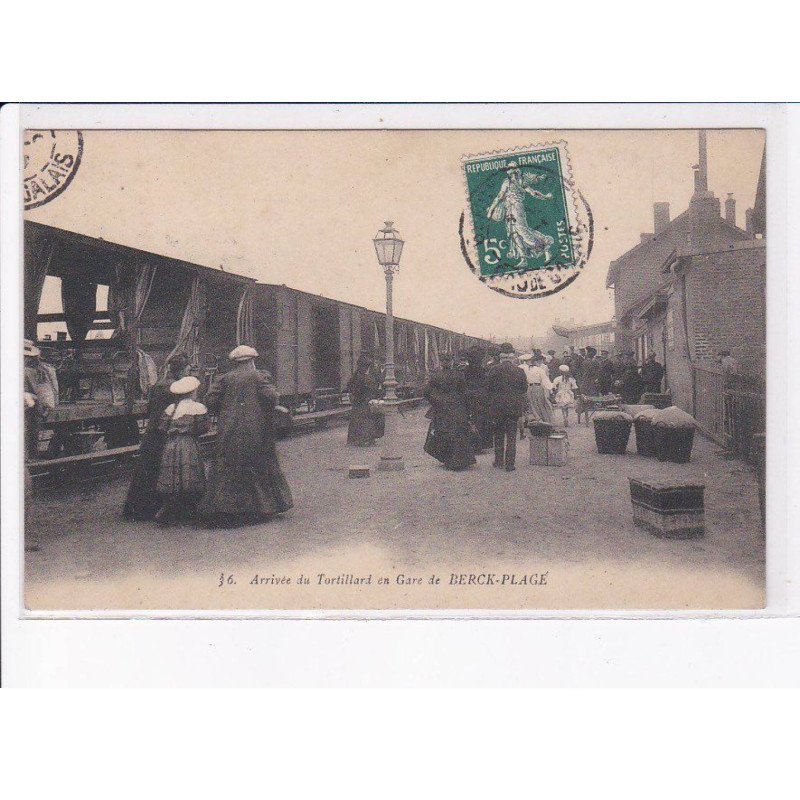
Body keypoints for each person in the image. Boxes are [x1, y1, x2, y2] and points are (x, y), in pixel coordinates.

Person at [199, 345, 293, 526]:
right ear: (251, 361)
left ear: (235, 362)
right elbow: (272, 397)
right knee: (256, 464)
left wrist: (226, 410)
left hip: (229, 430)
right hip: (255, 429)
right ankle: (260, 508)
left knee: (227, 465)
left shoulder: (224, 378)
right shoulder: (258, 377)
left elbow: (210, 401)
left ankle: (226, 508)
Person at [123, 353, 189, 521]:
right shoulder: (177, 388)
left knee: (147, 469)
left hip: (152, 432)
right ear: (181, 370)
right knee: (166, 469)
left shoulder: (157, 386)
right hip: (166, 432)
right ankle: (162, 508)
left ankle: (138, 509)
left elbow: (150, 409)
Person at [154, 376, 209, 525]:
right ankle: (190, 509)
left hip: (171, 444)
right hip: (189, 443)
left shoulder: (171, 408)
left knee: (172, 474)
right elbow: (204, 428)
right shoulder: (198, 407)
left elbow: (161, 427)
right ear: (192, 393)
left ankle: (169, 509)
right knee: (190, 473)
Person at [423, 353, 476, 471]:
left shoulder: (436, 376)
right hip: (457, 407)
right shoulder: (459, 375)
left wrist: (435, 402)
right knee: (458, 433)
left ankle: (447, 459)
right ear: (452, 361)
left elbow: (426, 393)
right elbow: (465, 393)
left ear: (441, 362)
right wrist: (468, 408)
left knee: (443, 433)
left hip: (442, 408)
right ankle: (458, 461)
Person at [485, 343, 528, 472]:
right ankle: (510, 464)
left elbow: (488, 388)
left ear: (501, 356)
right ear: (512, 356)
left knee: (498, 435)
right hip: (514, 407)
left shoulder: (494, 370)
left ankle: (498, 461)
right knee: (511, 435)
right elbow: (524, 389)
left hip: (498, 407)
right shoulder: (519, 371)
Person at [346, 353, 385, 446]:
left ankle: (365, 439)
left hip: (363, 402)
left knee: (364, 421)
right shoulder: (361, 375)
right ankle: (364, 440)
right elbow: (355, 387)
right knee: (366, 421)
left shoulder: (361, 374)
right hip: (362, 401)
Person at [463, 346, 493, 451]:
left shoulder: (465, 370)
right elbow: (487, 384)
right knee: (482, 420)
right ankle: (482, 444)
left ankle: (472, 444)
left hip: (469, 397)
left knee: (470, 420)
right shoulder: (483, 370)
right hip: (481, 397)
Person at [524, 353, 554, 425]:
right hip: (535, 387)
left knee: (535, 404)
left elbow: (544, 380)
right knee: (537, 404)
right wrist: (551, 388)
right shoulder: (538, 370)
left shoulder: (528, 370)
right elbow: (545, 380)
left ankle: (539, 420)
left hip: (533, 388)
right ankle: (541, 420)